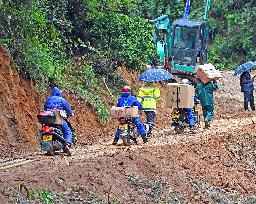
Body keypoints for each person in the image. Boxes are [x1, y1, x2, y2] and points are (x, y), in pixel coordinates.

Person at [44, 87, 73, 153]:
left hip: (47, 118)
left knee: (46, 130)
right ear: (59, 93)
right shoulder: (61, 99)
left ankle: (48, 147)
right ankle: (67, 144)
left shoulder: (48, 99)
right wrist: (71, 113)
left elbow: (45, 108)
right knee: (68, 131)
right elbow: (68, 109)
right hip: (57, 116)